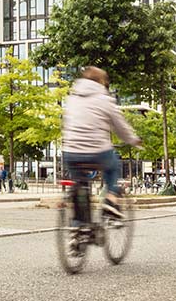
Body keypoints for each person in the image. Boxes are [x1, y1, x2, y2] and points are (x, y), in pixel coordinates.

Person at [61, 67, 142, 219]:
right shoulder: (105, 99)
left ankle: (78, 229)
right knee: (113, 166)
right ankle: (110, 201)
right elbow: (120, 126)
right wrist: (133, 140)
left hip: (70, 151)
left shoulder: (71, 98)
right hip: (97, 151)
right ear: (101, 82)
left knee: (80, 184)